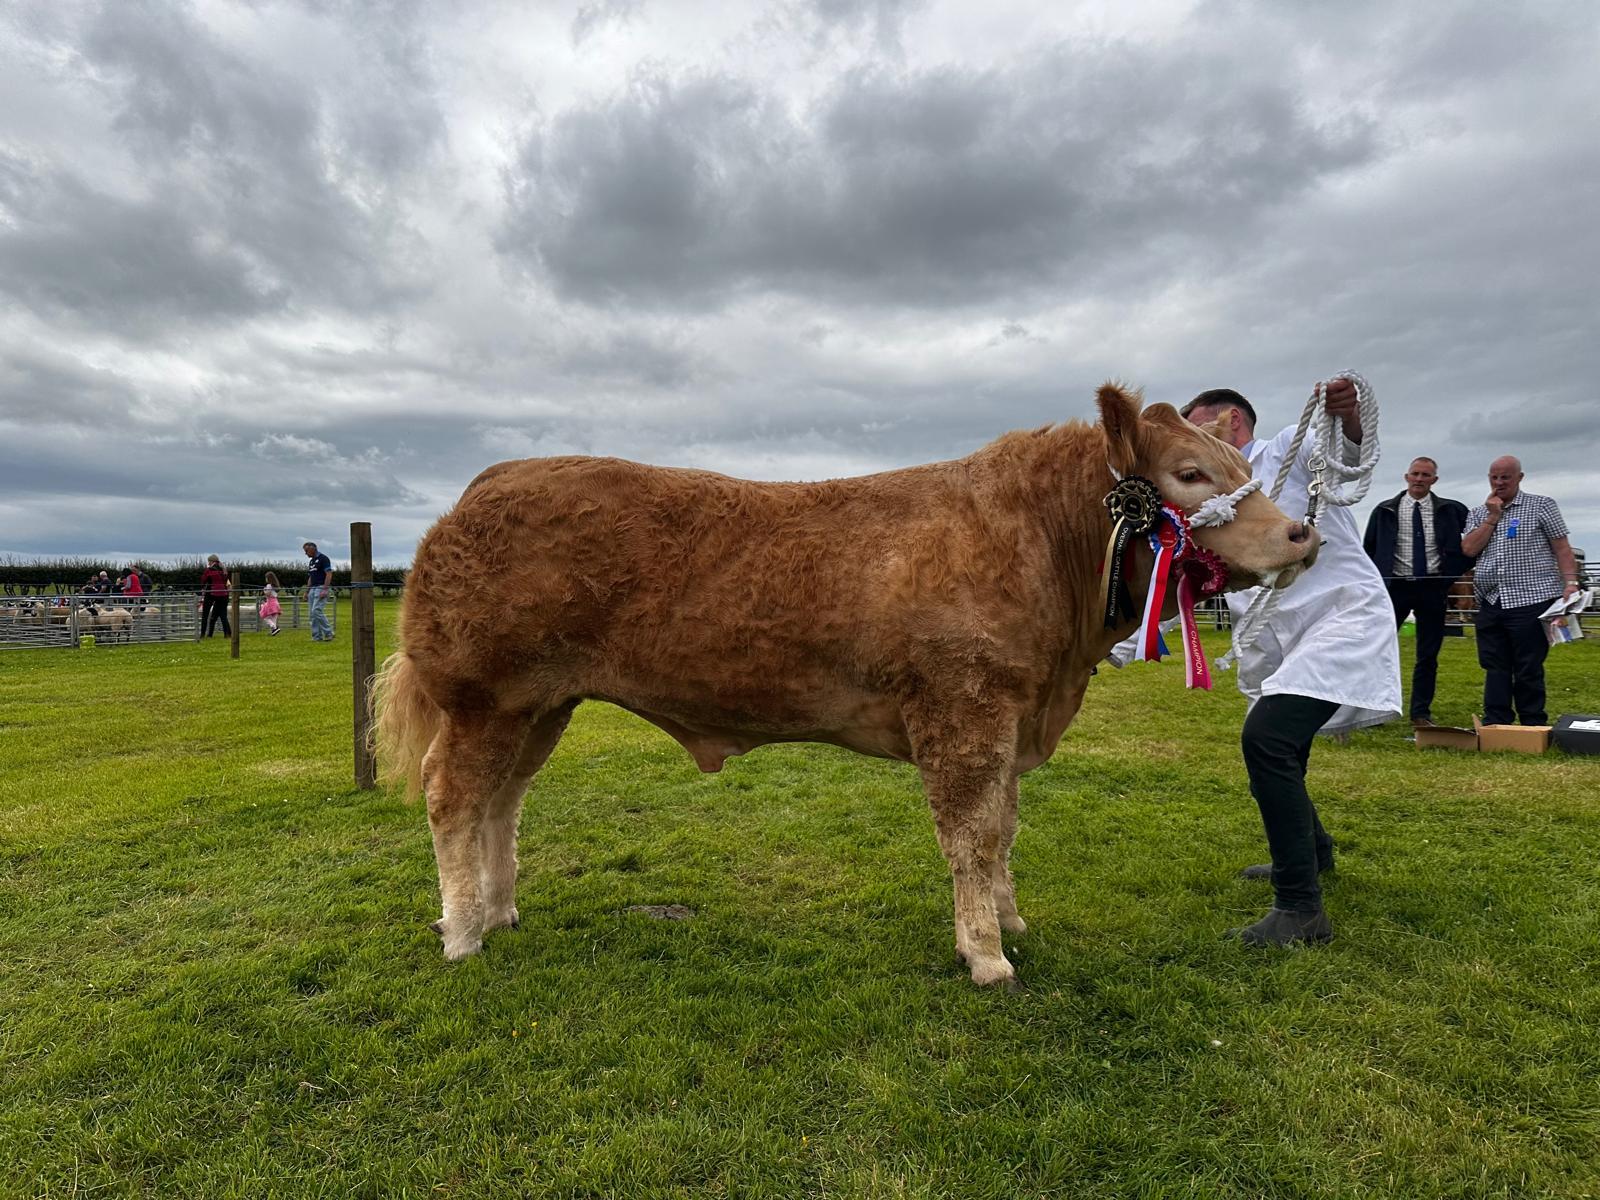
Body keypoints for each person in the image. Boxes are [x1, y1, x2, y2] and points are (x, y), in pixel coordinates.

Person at [1180, 381, 1400, 947]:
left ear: (1231, 422)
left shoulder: (1284, 451)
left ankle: (1301, 910)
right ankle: (1314, 854)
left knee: (1268, 741)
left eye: (1193, 423)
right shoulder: (1207, 504)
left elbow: (1342, 456)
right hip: (1278, 641)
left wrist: (1347, 417)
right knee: (1285, 749)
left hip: (1339, 620)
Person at [1460, 456, 1582, 726]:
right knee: (1494, 665)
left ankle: (1532, 723)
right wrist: (1493, 517)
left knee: (1528, 665)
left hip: (1532, 597)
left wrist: (1570, 583)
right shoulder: (1478, 513)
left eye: (1505, 477)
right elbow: (1469, 549)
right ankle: (1496, 722)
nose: (1499, 483)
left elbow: (1561, 547)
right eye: (1494, 477)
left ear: (1519, 477)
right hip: (1492, 599)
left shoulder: (1541, 506)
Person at [1361, 458, 1471, 727]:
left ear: (1434, 480)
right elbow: (1369, 550)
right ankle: (1376, 710)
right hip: (1395, 587)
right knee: (1380, 650)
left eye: (1426, 475)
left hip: (1432, 587)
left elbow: (1470, 545)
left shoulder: (1451, 510)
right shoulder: (1385, 510)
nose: (1420, 479)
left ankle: (1420, 713)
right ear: (1406, 477)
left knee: (1428, 654)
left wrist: (1451, 575)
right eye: (1415, 474)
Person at [303, 541, 334, 642]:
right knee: (312, 614)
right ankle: (316, 636)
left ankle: (329, 633)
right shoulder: (311, 562)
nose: (306, 553)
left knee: (316, 610)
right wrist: (306, 591)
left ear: (313, 548)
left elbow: (329, 573)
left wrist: (325, 589)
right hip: (312, 589)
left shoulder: (323, 558)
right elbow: (311, 577)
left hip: (321, 587)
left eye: (306, 551)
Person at [199, 554, 232, 638]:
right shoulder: (224, 570)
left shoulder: (209, 570)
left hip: (211, 593)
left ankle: (202, 634)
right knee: (223, 615)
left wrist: (203, 588)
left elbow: (203, 580)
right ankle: (227, 634)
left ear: (212, 561)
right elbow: (226, 581)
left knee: (205, 615)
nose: (208, 563)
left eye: (209, 561)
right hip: (223, 594)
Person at [260, 571, 282, 636]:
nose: (265, 579)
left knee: (265, 617)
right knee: (274, 618)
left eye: (266, 578)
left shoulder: (269, 585)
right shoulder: (276, 586)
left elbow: (268, 594)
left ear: (269, 578)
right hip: (276, 602)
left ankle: (273, 627)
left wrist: (264, 590)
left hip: (270, 603)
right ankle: (274, 631)